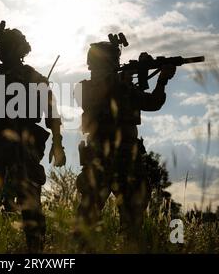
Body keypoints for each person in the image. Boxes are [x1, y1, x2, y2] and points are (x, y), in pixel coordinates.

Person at [0, 21, 66, 253]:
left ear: (19, 49)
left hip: (25, 145)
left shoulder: (35, 78)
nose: (1, 51)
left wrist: (58, 142)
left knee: (30, 204)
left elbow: (52, 113)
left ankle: (36, 254)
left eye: (6, 46)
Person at [75, 37, 176, 248]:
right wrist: (130, 79)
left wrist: (161, 79)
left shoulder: (122, 87)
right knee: (88, 219)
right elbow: (99, 94)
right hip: (108, 159)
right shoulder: (84, 88)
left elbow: (153, 102)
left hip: (117, 159)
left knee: (131, 220)